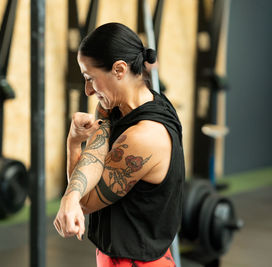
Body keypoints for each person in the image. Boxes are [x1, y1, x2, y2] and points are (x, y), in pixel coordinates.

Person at [53, 22, 185, 267]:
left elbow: (86, 201)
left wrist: (72, 197)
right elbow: (96, 154)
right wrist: (74, 144)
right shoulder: (119, 104)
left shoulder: (143, 137)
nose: (88, 90)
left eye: (90, 78)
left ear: (119, 69)